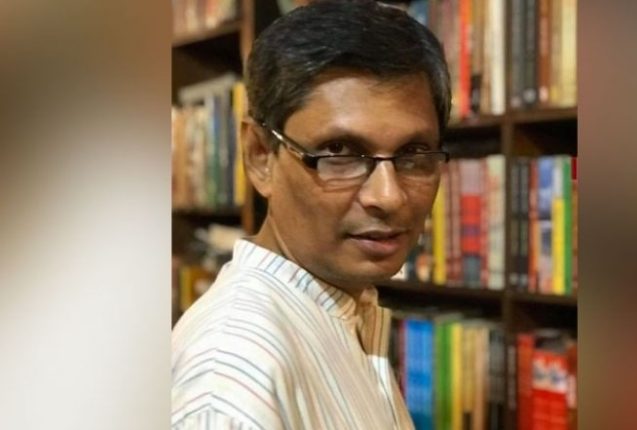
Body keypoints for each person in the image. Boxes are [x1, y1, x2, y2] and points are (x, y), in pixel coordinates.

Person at [171, 1, 451, 428]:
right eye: (339, 152)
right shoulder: (231, 384)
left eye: (414, 153)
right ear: (260, 156)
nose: (389, 196)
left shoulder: (345, 310)